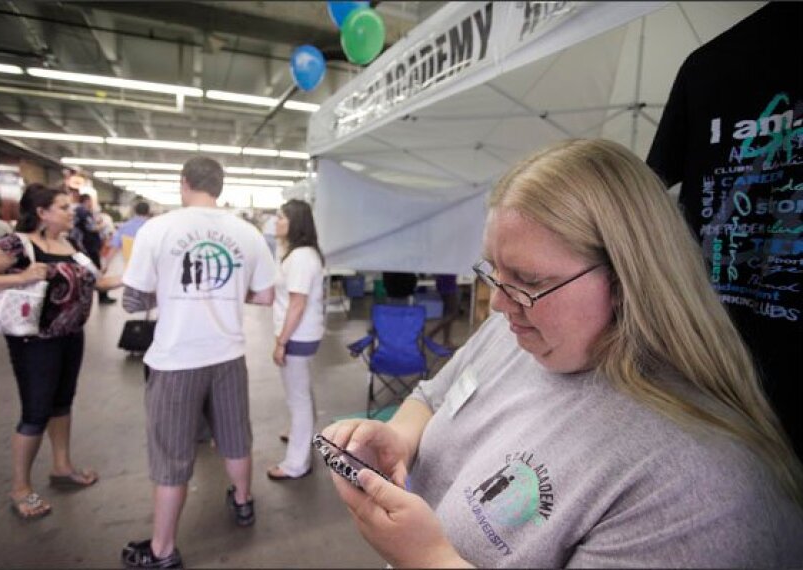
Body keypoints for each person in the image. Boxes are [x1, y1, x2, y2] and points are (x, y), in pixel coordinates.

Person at [322, 139, 803, 568]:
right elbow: (432, 396)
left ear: (627, 280)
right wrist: (398, 438)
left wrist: (430, 560)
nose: (501, 304)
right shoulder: (512, 330)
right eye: (495, 273)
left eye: (530, 281)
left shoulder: (700, 488)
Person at [646, 2, 802, 459]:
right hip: (714, 364)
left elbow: (650, 190)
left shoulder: (711, 65)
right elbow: (646, 196)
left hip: (714, 361)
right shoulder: (707, 67)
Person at [120, 156, 275, 569]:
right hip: (228, 355)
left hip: (176, 361)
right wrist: (223, 293)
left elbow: (132, 300)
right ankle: (243, 503)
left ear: (183, 183)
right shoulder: (249, 233)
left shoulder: (158, 229)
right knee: (236, 436)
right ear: (220, 187)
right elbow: (265, 296)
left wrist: (173, 294)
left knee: (171, 456)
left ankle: (163, 551)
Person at [0, 183, 122, 520]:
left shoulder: (71, 244)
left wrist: (139, 276)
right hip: (33, 340)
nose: (71, 212)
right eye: (63, 207)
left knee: (62, 403)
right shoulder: (15, 244)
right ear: (42, 212)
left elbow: (97, 282)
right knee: (36, 412)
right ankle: (20, 488)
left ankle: (61, 467)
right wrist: (19, 278)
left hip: (70, 335)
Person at [268, 199, 325, 481]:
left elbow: (297, 305)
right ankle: (300, 434)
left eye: (280, 217)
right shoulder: (297, 254)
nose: (276, 222)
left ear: (295, 223)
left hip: (298, 335)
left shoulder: (301, 257)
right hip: (302, 333)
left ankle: (296, 464)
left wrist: (281, 342)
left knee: (298, 399)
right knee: (301, 393)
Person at [72, 193, 115, 305]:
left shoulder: (84, 212)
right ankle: (102, 296)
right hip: (88, 247)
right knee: (96, 271)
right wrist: (104, 225)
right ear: (86, 201)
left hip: (88, 246)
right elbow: (91, 228)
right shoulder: (82, 212)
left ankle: (101, 295)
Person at [105, 201, 151, 268]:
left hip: (128, 266)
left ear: (135, 211)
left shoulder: (124, 227)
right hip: (147, 266)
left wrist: (106, 265)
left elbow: (114, 247)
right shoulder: (152, 227)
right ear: (148, 212)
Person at [426, 273, 459, 347]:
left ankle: (446, 341)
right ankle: (430, 333)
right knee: (453, 313)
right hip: (448, 282)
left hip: (443, 280)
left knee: (447, 313)